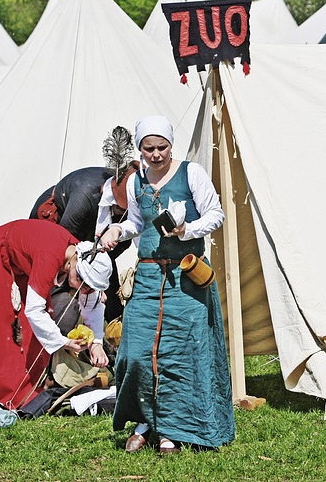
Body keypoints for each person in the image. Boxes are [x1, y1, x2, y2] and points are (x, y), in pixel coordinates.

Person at [100, 116, 235, 454]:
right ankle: (146, 421)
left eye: (162, 147)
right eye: (149, 148)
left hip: (185, 277)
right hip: (147, 278)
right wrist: (119, 230)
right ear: (139, 149)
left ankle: (170, 432)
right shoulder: (134, 182)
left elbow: (215, 214)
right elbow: (135, 222)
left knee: (181, 356)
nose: (156, 154)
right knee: (136, 354)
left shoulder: (192, 173)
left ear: (171, 145)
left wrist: (186, 230)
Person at [0, 219, 113, 410]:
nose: (85, 291)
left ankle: (25, 389)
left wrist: (96, 344)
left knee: (31, 332)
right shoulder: (50, 257)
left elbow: (91, 304)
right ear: (74, 266)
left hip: (20, 266)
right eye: (84, 285)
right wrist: (64, 342)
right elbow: (35, 310)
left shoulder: (79, 256)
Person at [30, 163, 139, 327]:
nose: (120, 214)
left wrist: (98, 277)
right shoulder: (84, 196)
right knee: (60, 286)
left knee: (104, 281)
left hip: (87, 233)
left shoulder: (128, 209)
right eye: (117, 208)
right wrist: (85, 278)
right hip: (59, 226)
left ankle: (113, 328)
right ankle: (56, 327)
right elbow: (62, 249)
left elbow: (108, 255)